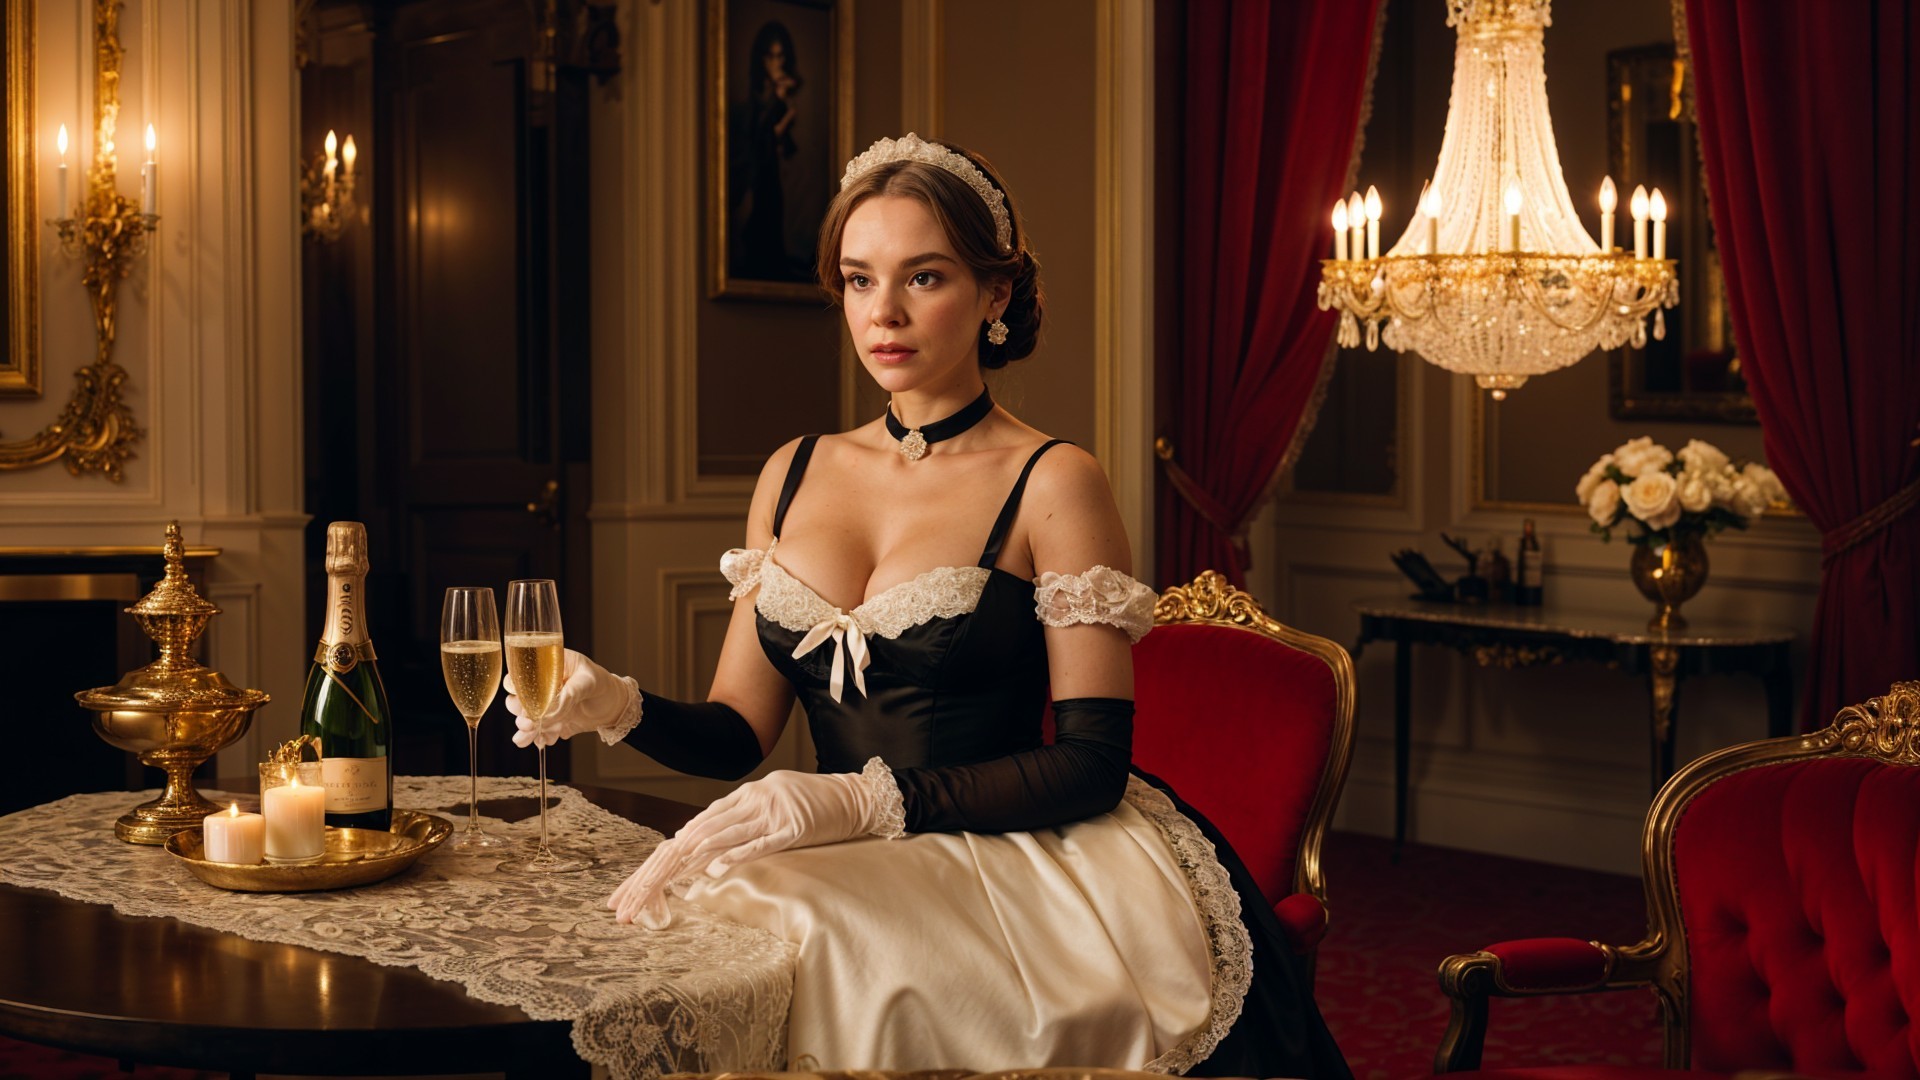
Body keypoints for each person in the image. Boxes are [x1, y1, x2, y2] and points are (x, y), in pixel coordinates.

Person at [508, 133, 1350, 1076]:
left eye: (925, 277)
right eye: (860, 280)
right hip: (831, 859)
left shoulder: (1052, 480)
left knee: (809, 942)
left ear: (995, 295)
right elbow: (738, 737)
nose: (886, 313)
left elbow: (1090, 766)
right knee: (643, 969)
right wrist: (614, 706)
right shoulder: (792, 471)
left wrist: (858, 801)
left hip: (1010, 859)